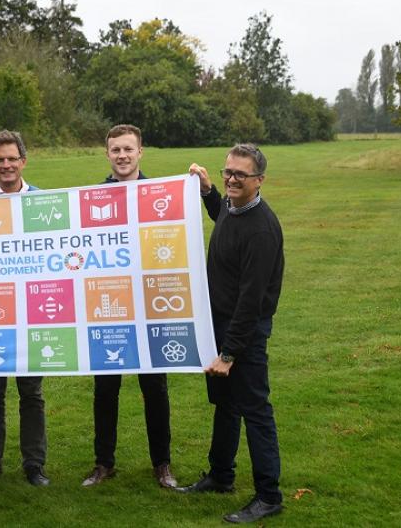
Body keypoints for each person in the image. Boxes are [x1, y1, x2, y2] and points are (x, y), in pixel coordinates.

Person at [178, 144, 285, 524]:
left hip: (245, 330)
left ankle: (269, 496)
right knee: (225, 404)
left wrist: (229, 353)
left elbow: (251, 300)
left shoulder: (261, 230)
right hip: (220, 323)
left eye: (241, 174)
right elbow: (220, 214)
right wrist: (208, 190)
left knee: (255, 410)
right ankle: (221, 476)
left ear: (259, 180)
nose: (232, 179)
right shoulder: (232, 205)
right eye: (228, 172)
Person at [81, 124, 177, 489]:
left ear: (141, 153)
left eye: (128, 149)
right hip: (108, 305)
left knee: (155, 388)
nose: (122, 155)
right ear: (107, 154)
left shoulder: (161, 194)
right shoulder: (92, 197)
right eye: (115, 150)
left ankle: (162, 465)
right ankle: (104, 463)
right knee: (106, 389)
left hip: (151, 305)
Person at [0, 130, 49, 487]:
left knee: (31, 393)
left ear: (23, 162)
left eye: (11, 158)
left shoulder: (46, 203)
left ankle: (34, 464)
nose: (6, 165)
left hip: (34, 314)